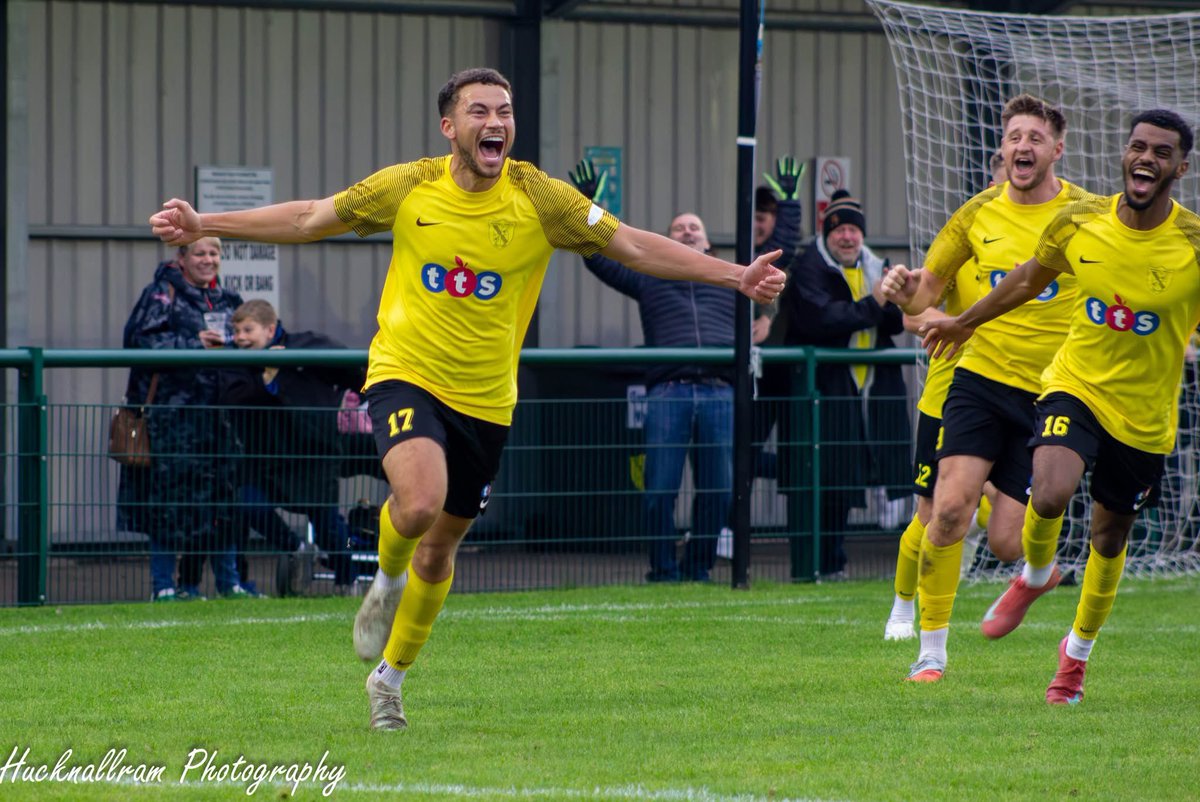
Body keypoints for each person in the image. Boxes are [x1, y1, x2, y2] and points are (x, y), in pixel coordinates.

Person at [149, 67, 786, 730]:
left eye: (504, 111)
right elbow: (311, 216)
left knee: (440, 550)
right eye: (480, 111)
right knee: (419, 502)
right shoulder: (409, 185)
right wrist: (204, 223)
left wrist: (735, 275)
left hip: (486, 402)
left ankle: (389, 681)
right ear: (449, 126)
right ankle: (385, 578)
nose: (496, 122)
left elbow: (630, 244)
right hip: (406, 373)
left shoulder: (542, 197)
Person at [922, 109, 1197, 704]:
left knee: (1108, 537)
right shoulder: (1079, 220)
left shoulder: (1193, 244)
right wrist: (964, 322)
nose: (1146, 158)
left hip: (1144, 415)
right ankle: (1037, 574)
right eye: (1138, 147)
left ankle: (1075, 656)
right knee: (1048, 490)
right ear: (1124, 154)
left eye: (1161, 152)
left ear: (1180, 167)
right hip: (1074, 384)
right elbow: (1025, 281)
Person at [881, 93, 1095, 681]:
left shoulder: (1086, 215)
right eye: (1014, 137)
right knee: (947, 511)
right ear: (1002, 147)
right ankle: (931, 652)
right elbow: (926, 291)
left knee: (1005, 543)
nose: (1022, 147)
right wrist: (904, 290)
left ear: (1057, 149)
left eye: (1034, 138)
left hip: (1049, 391)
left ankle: (1036, 571)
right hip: (978, 378)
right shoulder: (976, 212)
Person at [568, 200, 738, 582]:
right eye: (679, 228)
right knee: (659, 489)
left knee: (719, 491)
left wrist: (789, 208)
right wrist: (588, 209)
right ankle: (663, 570)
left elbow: (776, 261)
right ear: (667, 241)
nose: (688, 232)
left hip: (719, 392)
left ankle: (698, 570)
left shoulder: (728, 279)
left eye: (694, 227)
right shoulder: (649, 277)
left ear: (708, 243)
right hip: (668, 392)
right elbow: (598, 258)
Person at [883, 150, 1009, 640]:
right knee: (931, 513)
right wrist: (960, 324)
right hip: (948, 397)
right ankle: (902, 608)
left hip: (1020, 393)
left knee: (1008, 505)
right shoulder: (968, 240)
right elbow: (912, 312)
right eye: (1000, 184)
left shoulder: (1046, 250)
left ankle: (1030, 567)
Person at [779, 188, 910, 578]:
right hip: (822, 389)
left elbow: (896, 323)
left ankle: (835, 564)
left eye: (854, 230)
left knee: (850, 473)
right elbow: (822, 319)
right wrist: (875, 302)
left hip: (868, 389)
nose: (848, 237)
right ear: (827, 234)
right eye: (839, 231)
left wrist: (894, 299)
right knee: (820, 478)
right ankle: (811, 565)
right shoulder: (809, 267)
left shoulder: (877, 266)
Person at [120, 237, 247, 601]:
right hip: (170, 421)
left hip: (220, 421)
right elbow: (138, 341)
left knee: (223, 502)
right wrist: (195, 343)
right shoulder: (161, 294)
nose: (208, 260)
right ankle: (163, 586)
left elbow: (250, 337)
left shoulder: (229, 299)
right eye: (200, 253)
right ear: (182, 258)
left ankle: (229, 583)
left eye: (214, 253)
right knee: (167, 504)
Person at [218, 300, 367, 595]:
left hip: (314, 454)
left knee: (328, 525)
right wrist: (266, 380)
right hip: (263, 456)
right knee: (248, 504)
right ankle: (296, 548)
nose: (240, 338)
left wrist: (365, 390)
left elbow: (352, 371)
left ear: (270, 329)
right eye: (236, 332)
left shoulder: (307, 346)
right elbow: (232, 397)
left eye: (248, 330)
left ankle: (348, 580)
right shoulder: (234, 361)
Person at [751, 158, 805, 483]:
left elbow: (778, 274)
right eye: (751, 218)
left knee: (796, 454)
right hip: (755, 371)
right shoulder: (745, 256)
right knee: (744, 452)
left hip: (784, 370)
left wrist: (767, 317)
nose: (755, 226)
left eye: (761, 218)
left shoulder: (791, 258)